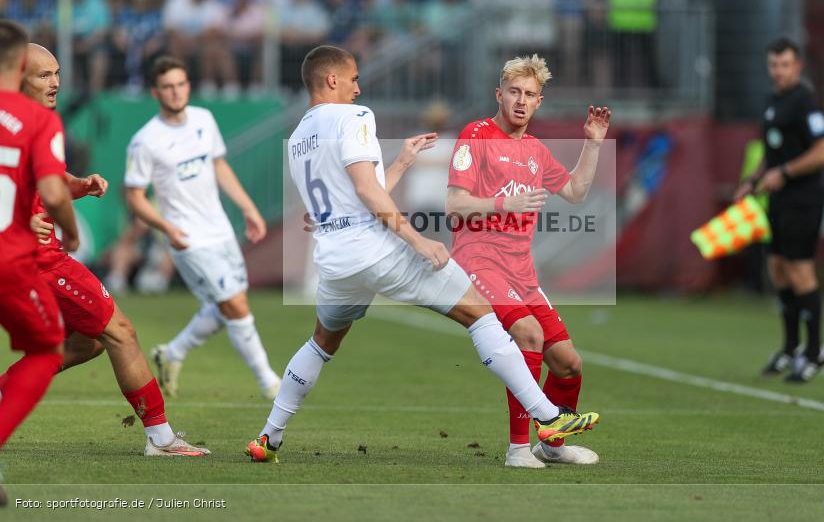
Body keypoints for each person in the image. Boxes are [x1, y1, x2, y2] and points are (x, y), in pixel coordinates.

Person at [245, 45, 600, 464]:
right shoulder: (355, 117)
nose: (359, 88)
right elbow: (365, 190)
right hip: (375, 250)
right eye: (354, 78)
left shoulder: (299, 135)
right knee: (481, 315)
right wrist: (417, 240)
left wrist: (401, 163)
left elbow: (359, 191)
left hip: (335, 261)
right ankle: (545, 417)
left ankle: (269, 436)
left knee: (322, 342)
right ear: (332, 80)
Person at [13, 42, 208, 457]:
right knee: (120, 331)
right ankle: (161, 439)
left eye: (57, 73)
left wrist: (78, 185)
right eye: (44, 75)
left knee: (92, 340)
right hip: (34, 260)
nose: (56, 82)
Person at [446, 54, 611, 468]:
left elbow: (574, 192)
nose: (521, 101)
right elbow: (454, 205)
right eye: (514, 92)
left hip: (522, 272)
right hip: (479, 261)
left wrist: (592, 144)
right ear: (498, 94)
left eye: (530, 95)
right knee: (528, 334)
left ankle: (551, 446)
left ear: (539, 102)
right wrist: (506, 202)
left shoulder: (535, 150)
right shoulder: (476, 134)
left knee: (569, 364)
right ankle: (518, 449)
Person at [125, 56, 281, 400]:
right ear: (155, 92)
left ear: (188, 87)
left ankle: (172, 353)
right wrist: (166, 227)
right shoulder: (145, 141)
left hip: (220, 229)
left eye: (180, 85)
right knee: (236, 304)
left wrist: (248, 206)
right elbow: (135, 196)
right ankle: (270, 382)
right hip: (187, 237)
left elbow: (219, 165)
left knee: (227, 304)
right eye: (167, 87)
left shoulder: (204, 120)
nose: (175, 92)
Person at [0, 21, 77, 504]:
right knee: (49, 348)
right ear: (19, 67)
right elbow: (51, 190)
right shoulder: (36, 120)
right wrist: (70, 228)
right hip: (8, 261)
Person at [735, 37, 824, 383]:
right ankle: (791, 347)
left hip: (803, 198)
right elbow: (771, 150)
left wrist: (785, 173)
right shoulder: (773, 101)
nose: (778, 71)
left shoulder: (805, 102)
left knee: (800, 272)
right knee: (777, 269)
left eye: (785, 65)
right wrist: (753, 179)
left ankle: (815, 350)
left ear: (798, 66)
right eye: (774, 65)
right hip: (777, 199)